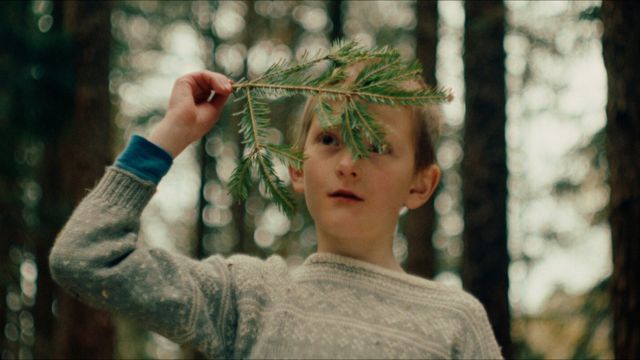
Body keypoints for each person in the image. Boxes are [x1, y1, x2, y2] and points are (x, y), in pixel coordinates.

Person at [49, 68, 503, 359]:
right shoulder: (246, 298)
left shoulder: (454, 321)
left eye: (377, 146)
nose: (348, 163)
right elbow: (85, 258)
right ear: (297, 168)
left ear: (420, 184)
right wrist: (172, 134)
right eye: (329, 140)